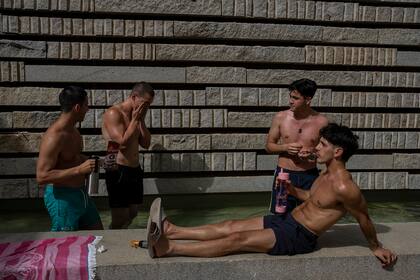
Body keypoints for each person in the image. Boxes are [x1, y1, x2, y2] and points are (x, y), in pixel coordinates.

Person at [149, 123, 397, 268]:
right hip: (289, 220)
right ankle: (173, 230)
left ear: (338, 151)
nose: (316, 148)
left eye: (322, 145)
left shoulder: (345, 187)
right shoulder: (324, 173)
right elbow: (312, 198)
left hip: (299, 237)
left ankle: (169, 248)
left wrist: (376, 247)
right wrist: (292, 191)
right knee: (231, 224)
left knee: (237, 239)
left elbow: (363, 218)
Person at [36, 86, 103, 231]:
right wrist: (79, 170)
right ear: (77, 107)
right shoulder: (54, 137)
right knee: (65, 246)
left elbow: (72, 158)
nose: (88, 109)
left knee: (97, 235)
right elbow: (42, 176)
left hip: (81, 194)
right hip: (62, 199)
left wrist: (99, 162)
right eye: (86, 105)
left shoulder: (74, 131)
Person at [266, 78, 328, 214]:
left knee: (309, 215)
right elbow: (269, 146)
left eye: (295, 98)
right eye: (290, 96)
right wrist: (285, 148)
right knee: (280, 214)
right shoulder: (281, 117)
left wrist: (311, 155)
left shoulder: (321, 122)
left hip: (309, 175)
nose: (290, 101)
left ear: (308, 99)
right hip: (284, 174)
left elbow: (326, 152)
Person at [102, 82, 154, 229]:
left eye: (149, 105)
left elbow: (146, 143)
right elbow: (122, 144)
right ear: (134, 97)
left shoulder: (137, 115)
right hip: (117, 168)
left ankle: (120, 234)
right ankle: (113, 239)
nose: (146, 107)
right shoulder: (114, 113)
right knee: (120, 218)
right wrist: (135, 120)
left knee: (133, 213)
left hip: (134, 168)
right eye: (145, 103)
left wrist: (141, 121)